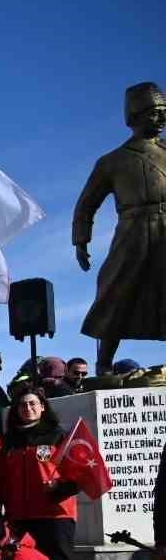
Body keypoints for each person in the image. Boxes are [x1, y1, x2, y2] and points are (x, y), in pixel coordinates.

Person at [73, 81, 166, 372]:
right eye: (155, 113)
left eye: (164, 112)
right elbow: (87, 203)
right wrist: (81, 240)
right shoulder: (113, 161)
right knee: (116, 291)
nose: (162, 119)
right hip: (134, 229)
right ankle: (103, 364)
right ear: (136, 116)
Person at [0, 387, 79, 560]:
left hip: (54, 515)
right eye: (22, 405)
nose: (27, 408)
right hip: (18, 517)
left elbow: (81, 473)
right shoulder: (9, 441)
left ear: (42, 407)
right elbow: (2, 477)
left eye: (32, 403)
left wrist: (60, 488)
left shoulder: (59, 435)